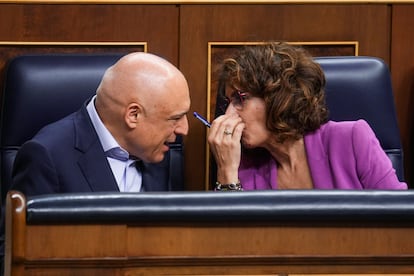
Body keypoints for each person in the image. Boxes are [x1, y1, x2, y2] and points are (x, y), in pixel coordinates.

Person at [0, 52, 191, 273]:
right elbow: (18, 257)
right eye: (175, 118)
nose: (183, 130)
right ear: (133, 115)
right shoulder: (46, 156)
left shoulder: (159, 150)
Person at [208, 41, 407, 191]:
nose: (228, 114)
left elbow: (399, 222)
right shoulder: (240, 162)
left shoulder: (353, 139)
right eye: (228, 102)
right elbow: (234, 241)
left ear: (277, 97)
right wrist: (226, 173)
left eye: (239, 99)